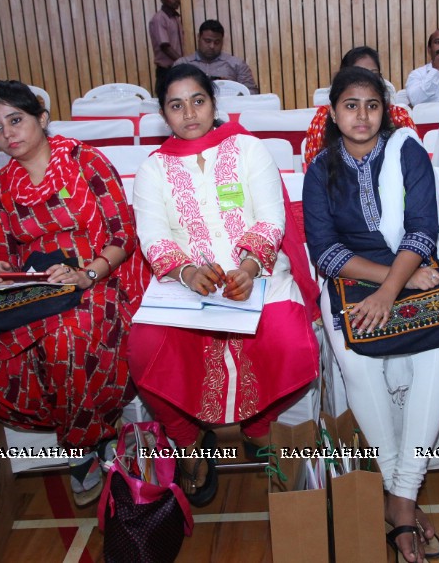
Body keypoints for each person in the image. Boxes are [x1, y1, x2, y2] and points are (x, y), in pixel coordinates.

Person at [128, 64, 319, 507]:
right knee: (144, 351)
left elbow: (272, 218)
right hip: (184, 286)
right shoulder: (152, 169)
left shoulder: (248, 149)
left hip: (259, 273)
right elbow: (153, 236)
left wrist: (250, 268)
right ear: (163, 113)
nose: (189, 113)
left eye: (198, 101)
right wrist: (187, 272)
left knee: (293, 344)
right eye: (176, 105)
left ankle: (256, 427)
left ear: (214, 104)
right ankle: (190, 443)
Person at [0, 80, 143, 508]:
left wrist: (86, 274)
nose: (8, 133)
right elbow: (2, 257)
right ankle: (94, 435)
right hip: (37, 292)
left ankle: (80, 451)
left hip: (103, 278)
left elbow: (123, 235)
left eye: (16, 120)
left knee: (65, 340)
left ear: (41, 119)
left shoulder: (86, 162)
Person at [304, 66, 439, 562]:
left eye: (372, 105)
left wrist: (393, 287)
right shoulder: (319, 168)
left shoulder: (406, 151)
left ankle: (400, 497)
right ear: (333, 113)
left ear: (384, 112)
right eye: (350, 105)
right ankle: (404, 502)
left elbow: (422, 230)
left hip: (412, 271)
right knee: (356, 361)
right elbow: (325, 253)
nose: (362, 116)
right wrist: (386, 282)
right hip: (353, 281)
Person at [304, 46, 415, 164]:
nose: (367, 81)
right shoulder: (324, 116)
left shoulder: (398, 115)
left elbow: (415, 159)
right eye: (358, 74)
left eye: (374, 75)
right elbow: (312, 162)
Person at [176, 19, 259, 93]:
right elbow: (171, 92)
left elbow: (252, 93)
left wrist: (232, 87)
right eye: (207, 41)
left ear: (222, 41)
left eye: (217, 42)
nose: (212, 46)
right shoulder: (182, 65)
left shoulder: (237, 64)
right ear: (199, 37)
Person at [149, 0, 185, 100]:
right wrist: (183, 62)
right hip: (166, 70)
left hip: (176, 68)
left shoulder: (175, 17)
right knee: (166, 102)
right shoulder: (159, 18)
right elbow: (165, 46)